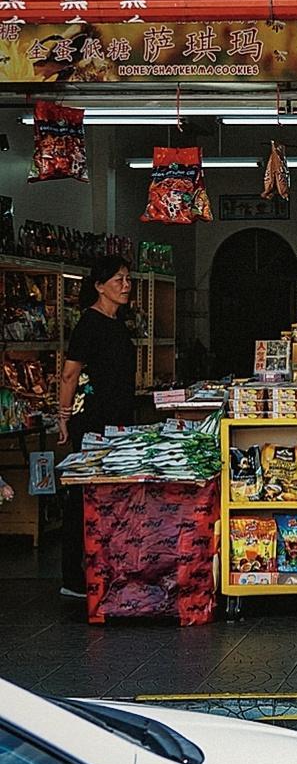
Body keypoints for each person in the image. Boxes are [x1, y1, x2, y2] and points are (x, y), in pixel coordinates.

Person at [57, 254, 137, 599]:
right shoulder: (88, 324)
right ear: (99, 286)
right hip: (92, 421)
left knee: (111, 495)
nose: (125, 285)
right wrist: (62, 417)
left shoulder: (118, 323)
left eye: (127, 279)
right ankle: (73, 577)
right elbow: (69, 374)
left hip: (117, 420)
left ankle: (104, 566)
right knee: (83, 495)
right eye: (118, 280)